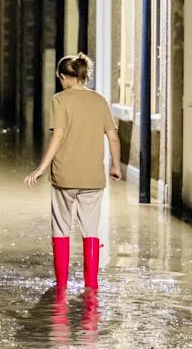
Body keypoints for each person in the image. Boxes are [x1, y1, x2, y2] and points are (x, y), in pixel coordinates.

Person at [24, 53, 121, 294]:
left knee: (61, 228)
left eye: (61, 79)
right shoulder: (100, 101)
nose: (61, 83)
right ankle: (91, 286)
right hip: (92, 177)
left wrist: (41, 168)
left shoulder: (60, 100)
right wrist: (116, 166)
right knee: (91, 230)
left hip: (65, 175)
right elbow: (112, 136)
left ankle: (62, 286)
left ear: (65, 77)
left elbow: (58, 135)